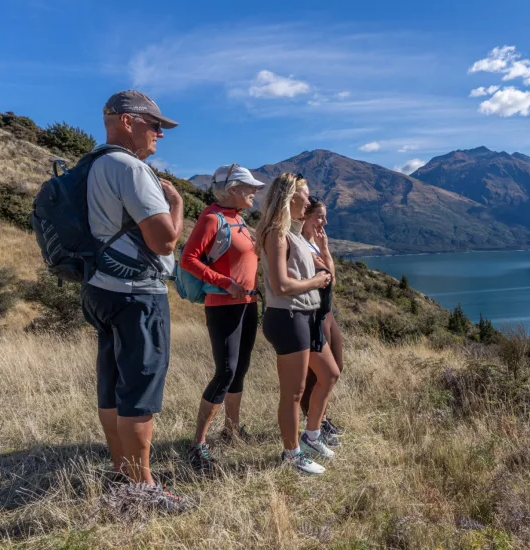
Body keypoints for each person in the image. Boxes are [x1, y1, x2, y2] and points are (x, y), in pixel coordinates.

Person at [79, 90, 188, 511]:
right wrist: (176, 204)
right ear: (127, 121)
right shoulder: (131, 168)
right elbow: (163, 241)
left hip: (101, 289)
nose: (160, 134)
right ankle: (144, 491)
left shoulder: (93, 165)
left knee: (112, 386)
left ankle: (120, 475)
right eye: (155, 124)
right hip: (137, 296)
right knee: (139, 391)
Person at [179, 164, 267, 474]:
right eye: (249, 187)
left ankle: (231, 430)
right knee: (226, 371)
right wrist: (224, 282)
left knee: (240, 369)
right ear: (231, 190)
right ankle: (198, 443)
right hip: (223, 304)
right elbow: (187, 259)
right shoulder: (211, 218)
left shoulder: (239, 219)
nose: (255, 191)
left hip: (247, 303)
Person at [256, 173, 340, 475]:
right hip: (288, 317)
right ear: (292, 196)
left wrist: (318, 267)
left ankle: (312, 436)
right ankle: (291, 454)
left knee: (329, 373)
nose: (309, 198)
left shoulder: (291, 233)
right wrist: (315, 280)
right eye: (306, 194)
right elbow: (280, 286)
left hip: (306, 316)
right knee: (293, 392)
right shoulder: (276, 233)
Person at [299, 197, 345, 446]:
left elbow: (332, 280)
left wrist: (325, 248)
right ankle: (314, 425)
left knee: (336, 366)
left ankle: (321, 419)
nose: (324, 222)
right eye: (319, 216)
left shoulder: (315, 244)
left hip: (326, 312)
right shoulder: (299, 244)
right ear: (305, 216)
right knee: (316, 375)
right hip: (312, 314)